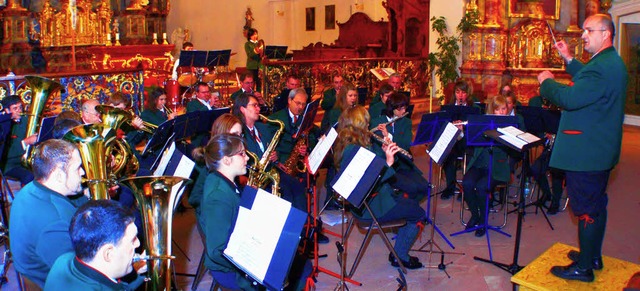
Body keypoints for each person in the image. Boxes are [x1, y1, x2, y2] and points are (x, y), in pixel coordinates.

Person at [537, 14, 626, 282]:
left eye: (588, 30)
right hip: (599, 149)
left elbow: (570, 98)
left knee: (586, 208)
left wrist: (547, 82)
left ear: (606, 34)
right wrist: (568, 59)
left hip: (587, 153)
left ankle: (584, 268)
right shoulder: (609, 62)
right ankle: (592, 255)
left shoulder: (602, 67)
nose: (583, 35)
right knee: (597, 204)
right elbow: (589, 80)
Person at [332, 106, 425, 269]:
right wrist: (389, 162)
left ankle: (398, 250)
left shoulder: (349, 144)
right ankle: (400, 256)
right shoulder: (354, 150)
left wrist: (384, 153)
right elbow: (368, 184)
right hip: (371, 207)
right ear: (359, 126)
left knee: (409, 200)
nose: (369, 128)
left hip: (367, 202)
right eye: (366, 125)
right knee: (418, 214)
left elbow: (371, 167)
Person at [9, 139, 89, 287]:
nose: (83, 172)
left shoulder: (31, 188)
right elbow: (77, 279)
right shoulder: (55, 224)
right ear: (58, 175)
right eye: (78, 168)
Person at [193, 133, 255, 290]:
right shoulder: (218, 196)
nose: (247, 158)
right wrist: (250, 268)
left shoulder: (220, 179)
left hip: (235, 253)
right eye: (241, 154)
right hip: (229, 270)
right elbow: (217, 250)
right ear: (226, 160)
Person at [44, 200, 146, 290]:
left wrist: (135, 271)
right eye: (133, 240)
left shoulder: (63, 260)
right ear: (108, 253)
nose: (138, 243)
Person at [460, 95, 516, 237]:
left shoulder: (510, 126)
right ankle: (475, 214)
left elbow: (514, 151)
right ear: (492, 110)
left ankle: (483, 221)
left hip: (497, 167)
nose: (501, 112)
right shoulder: (483, 122)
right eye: (498, 110)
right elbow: (469, 142)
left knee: (481, 187)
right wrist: (463, 131)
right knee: (466, 183)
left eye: (504, 109)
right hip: (479, 163)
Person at [371, 92, 429, 201]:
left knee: (424, 187)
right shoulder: (376, 122)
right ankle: (404, 208)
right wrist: (382, 136)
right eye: (400, 109)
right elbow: (377, 149)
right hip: (387, 166)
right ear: (391, 108)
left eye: (404, 108)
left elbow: (405, 144)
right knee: (411, 188)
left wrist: (388, 135)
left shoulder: (406, 122)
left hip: (403, 163)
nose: (403, 111)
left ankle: (410, 208)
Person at [441, 80, 481, 200]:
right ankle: (450, 186)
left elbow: (476, 129)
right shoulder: (449, 107)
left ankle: (466, 188)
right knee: (447, 154)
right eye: (458, 92)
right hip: (453, 140)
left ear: (467, 94)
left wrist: (464, 128)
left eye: (463, 93)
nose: (460, 96)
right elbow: (442, 125)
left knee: (470, 155)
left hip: (467, 140)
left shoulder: (474, 108)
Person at [0, 95, 37, 185]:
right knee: (28, 176)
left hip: (26, 160)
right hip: (8, 165)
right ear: (7, 111)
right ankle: (25, 198)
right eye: (15, 108)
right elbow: (5, 153)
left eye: (20, 107)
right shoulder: (3, 126)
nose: (19, 111)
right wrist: (25, 142)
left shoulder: (26, 120)